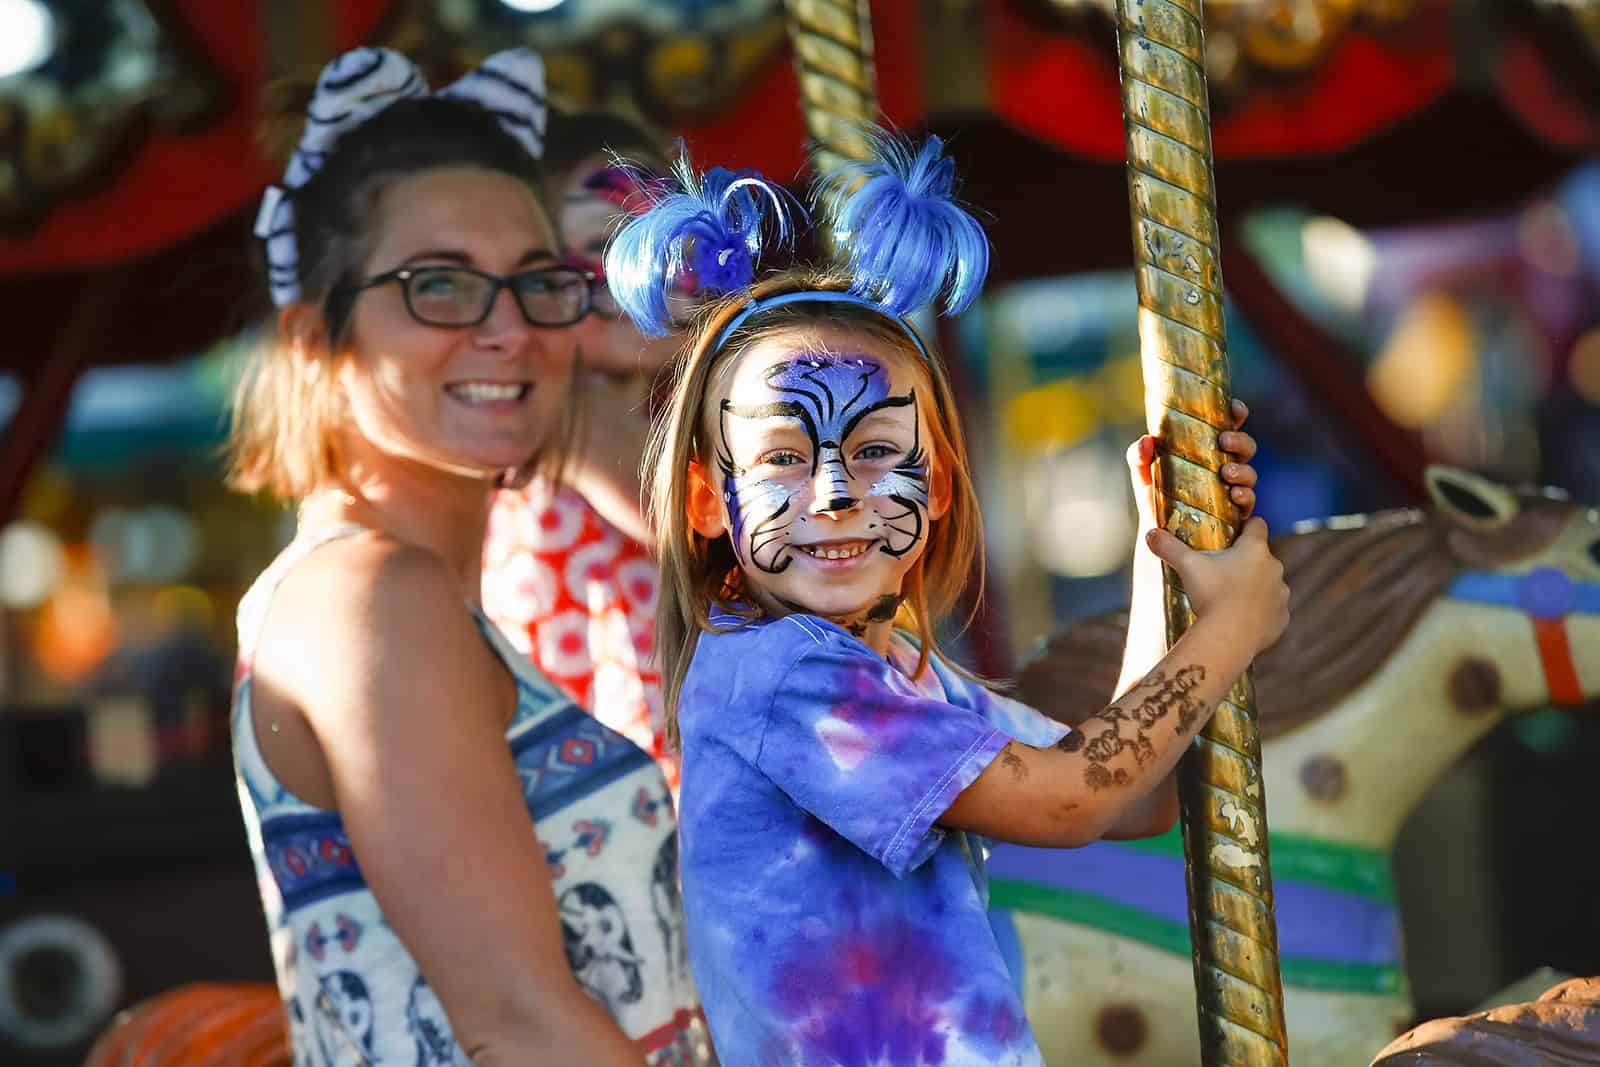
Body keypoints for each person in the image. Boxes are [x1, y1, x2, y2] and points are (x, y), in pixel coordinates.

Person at [605, 131, 1288, 1064]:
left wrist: (1157, 542)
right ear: (703, 502)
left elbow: (1126, 797)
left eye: (879, 449)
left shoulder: (883, 669)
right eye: (782, 459)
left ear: (941, 485)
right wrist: (1234, 627)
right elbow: (1072, 801)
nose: (837, 492)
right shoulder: (782, 677)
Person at [226, 47, 709, 1066]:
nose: (508, 329)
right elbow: (522, 1026)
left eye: (538, 283)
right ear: (316, 336)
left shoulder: (425, 596)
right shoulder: (368, 597)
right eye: (438, 284)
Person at [482, 109, 684, 791]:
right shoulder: (565, 408)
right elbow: (687, 522)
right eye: (603, 246)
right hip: (616, 755)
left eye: (665, 239)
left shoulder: (646, 406)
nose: (642, 274)